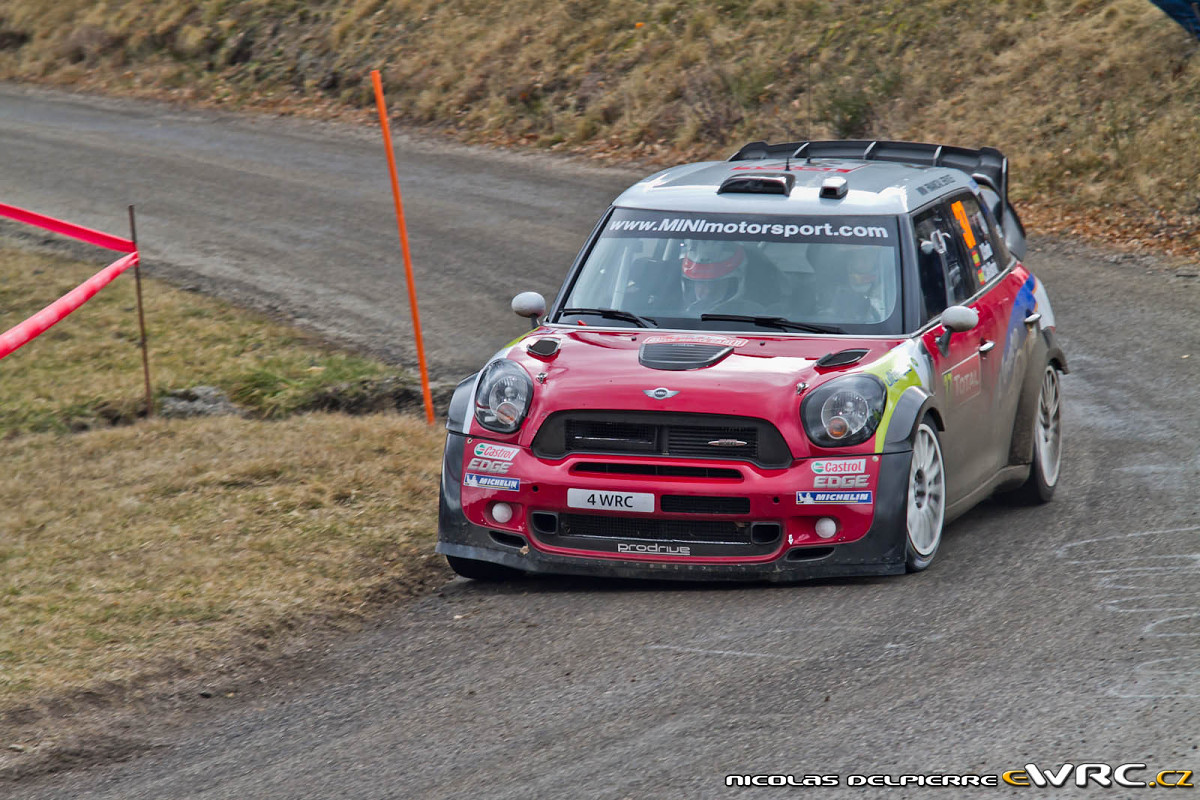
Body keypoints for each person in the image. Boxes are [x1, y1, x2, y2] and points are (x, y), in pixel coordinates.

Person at [679, 238, 782, 314]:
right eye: (701, 284)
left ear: (734, 283)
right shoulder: (675, 314)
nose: (707, 291)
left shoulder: (753, 315)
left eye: (716, 284)